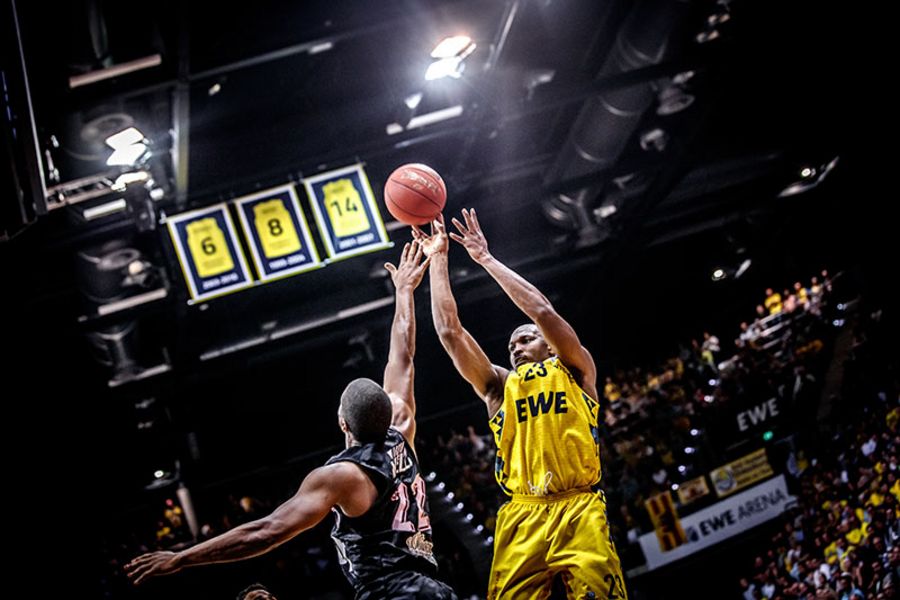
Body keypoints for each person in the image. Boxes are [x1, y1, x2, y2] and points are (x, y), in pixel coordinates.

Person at [125, 242, 457, 600]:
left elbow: (266, 531)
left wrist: (181, 559)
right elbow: (402, 357)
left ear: (342, 422)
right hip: (434, 587)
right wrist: (404, 291)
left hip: (391, 593)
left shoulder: (343, 476)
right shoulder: (402, 430)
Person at [413, 209, 627, 600]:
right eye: (511, 345)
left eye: (525, 339)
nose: (515, 347)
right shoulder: (499, 387)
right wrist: (439, 258)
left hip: (578, 508)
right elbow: (449, 332)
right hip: (522, 514)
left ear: (547, 344)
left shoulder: (574, 370)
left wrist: (485, 259)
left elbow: (542, 311)